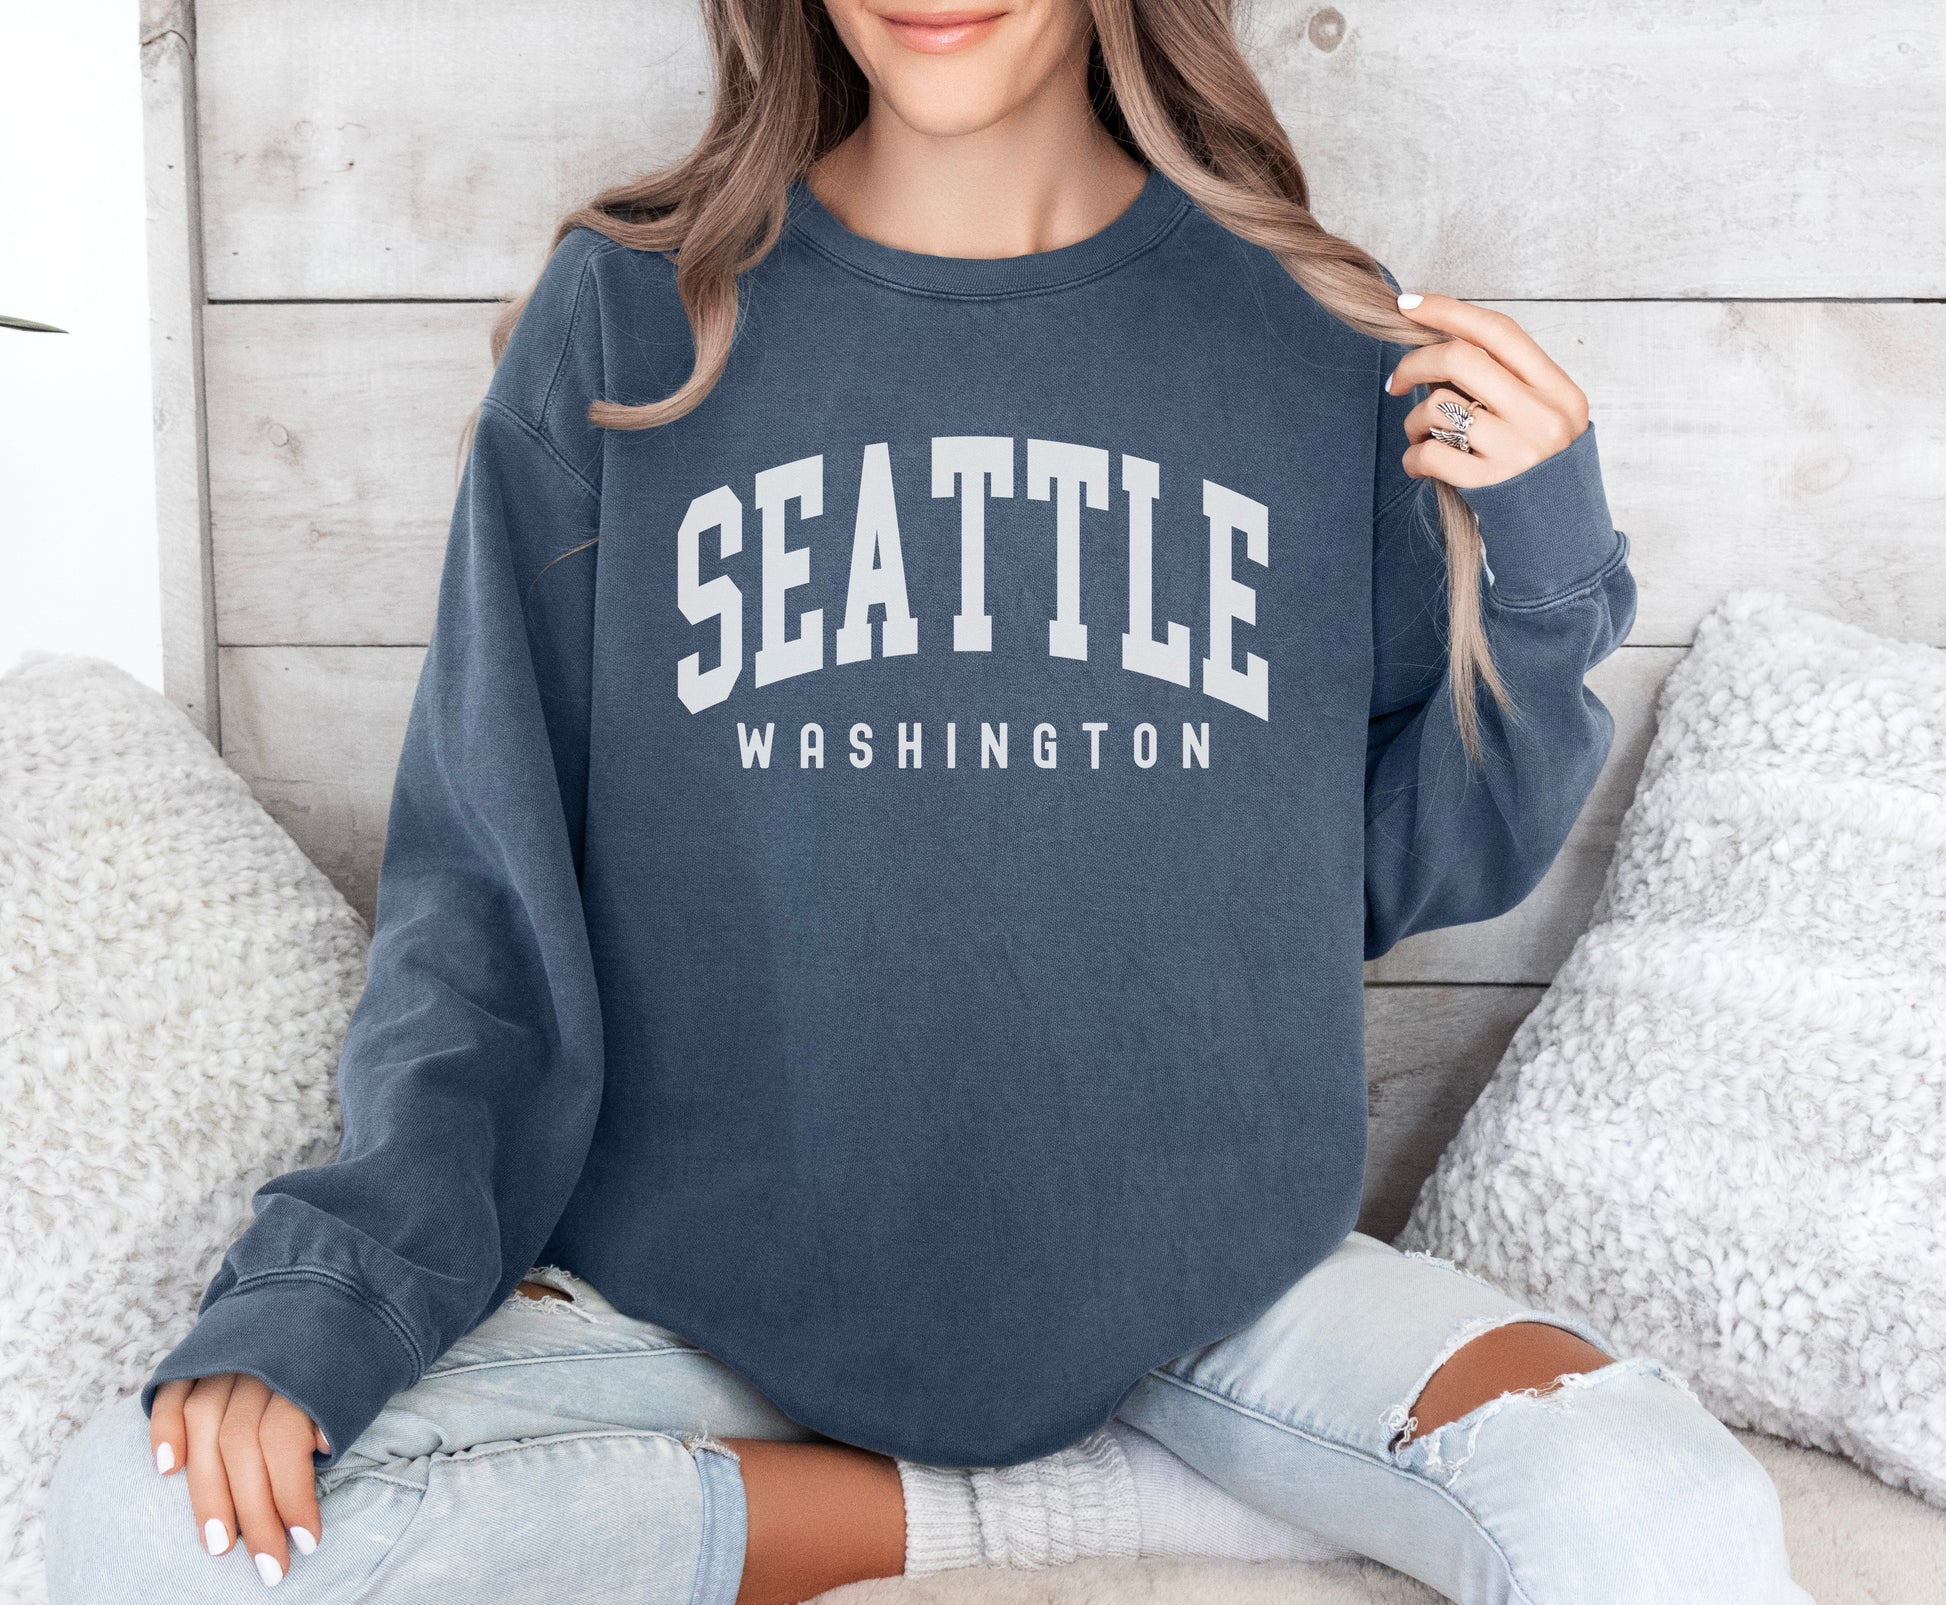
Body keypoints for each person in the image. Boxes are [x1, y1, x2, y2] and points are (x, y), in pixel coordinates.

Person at [47, 0, 1811, 1600]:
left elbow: (1387, 866)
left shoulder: (1308, 334)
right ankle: (1009, 1507)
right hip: (700, 1289)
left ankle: (1082, 1459)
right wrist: (326, 1291)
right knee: (148, 1530)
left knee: (1661, 1517)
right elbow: (484, 908)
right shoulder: (629, 313)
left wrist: (1542, 570)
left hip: (1210, 1289)